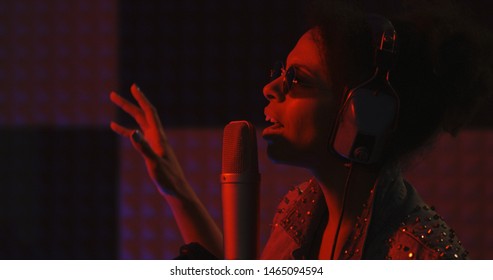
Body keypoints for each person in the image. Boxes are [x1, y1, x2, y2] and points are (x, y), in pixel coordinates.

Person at [110, 0, 492, 259]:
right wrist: (174, 186)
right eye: (281, 72)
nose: (269, 88)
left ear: (363, 114)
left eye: (296, 79)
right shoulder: (300, 210)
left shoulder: (424, 257)